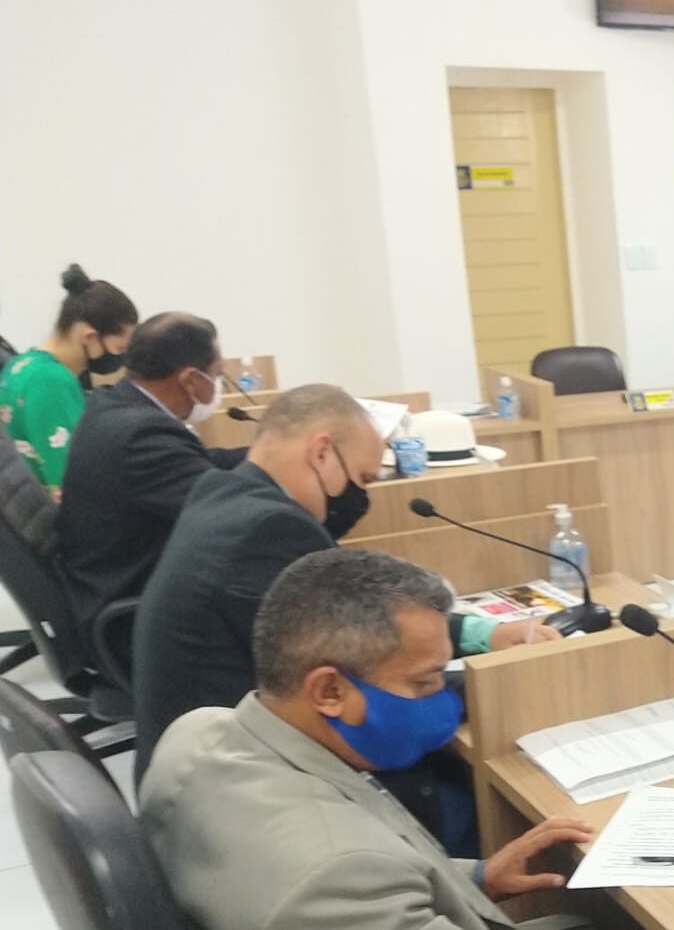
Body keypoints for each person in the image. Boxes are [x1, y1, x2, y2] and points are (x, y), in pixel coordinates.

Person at [131, 383, 559, 796]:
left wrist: (482, 635)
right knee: (460, 779)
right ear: (321, 453)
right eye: (363, 478)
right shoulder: (271, 530)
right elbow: (367, 671)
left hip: (189, 761)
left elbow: (362, 617)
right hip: (241, 782)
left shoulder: (225, 493)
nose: (361, 496)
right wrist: (502, 678)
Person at [139, 548, 597, 930]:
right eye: (423, 682)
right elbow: (346, 870)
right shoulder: (340, 875)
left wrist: (476, 878)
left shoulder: (198, 731)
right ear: (329, 691)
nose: (441, 696)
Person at [56, 312, 245, 636]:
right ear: (190, 379)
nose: (217, 386)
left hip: (110, 586)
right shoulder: (143, 435)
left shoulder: (112, 405)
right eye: (217, 375)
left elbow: (196, 463)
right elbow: (226, 512)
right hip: (133, 619)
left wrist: (265, 456)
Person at [0, 264, 138, 497]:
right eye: (119, 348)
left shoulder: (21, 365)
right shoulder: (52, 380)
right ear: (89, 336)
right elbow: (68, 479)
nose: (119, 357)